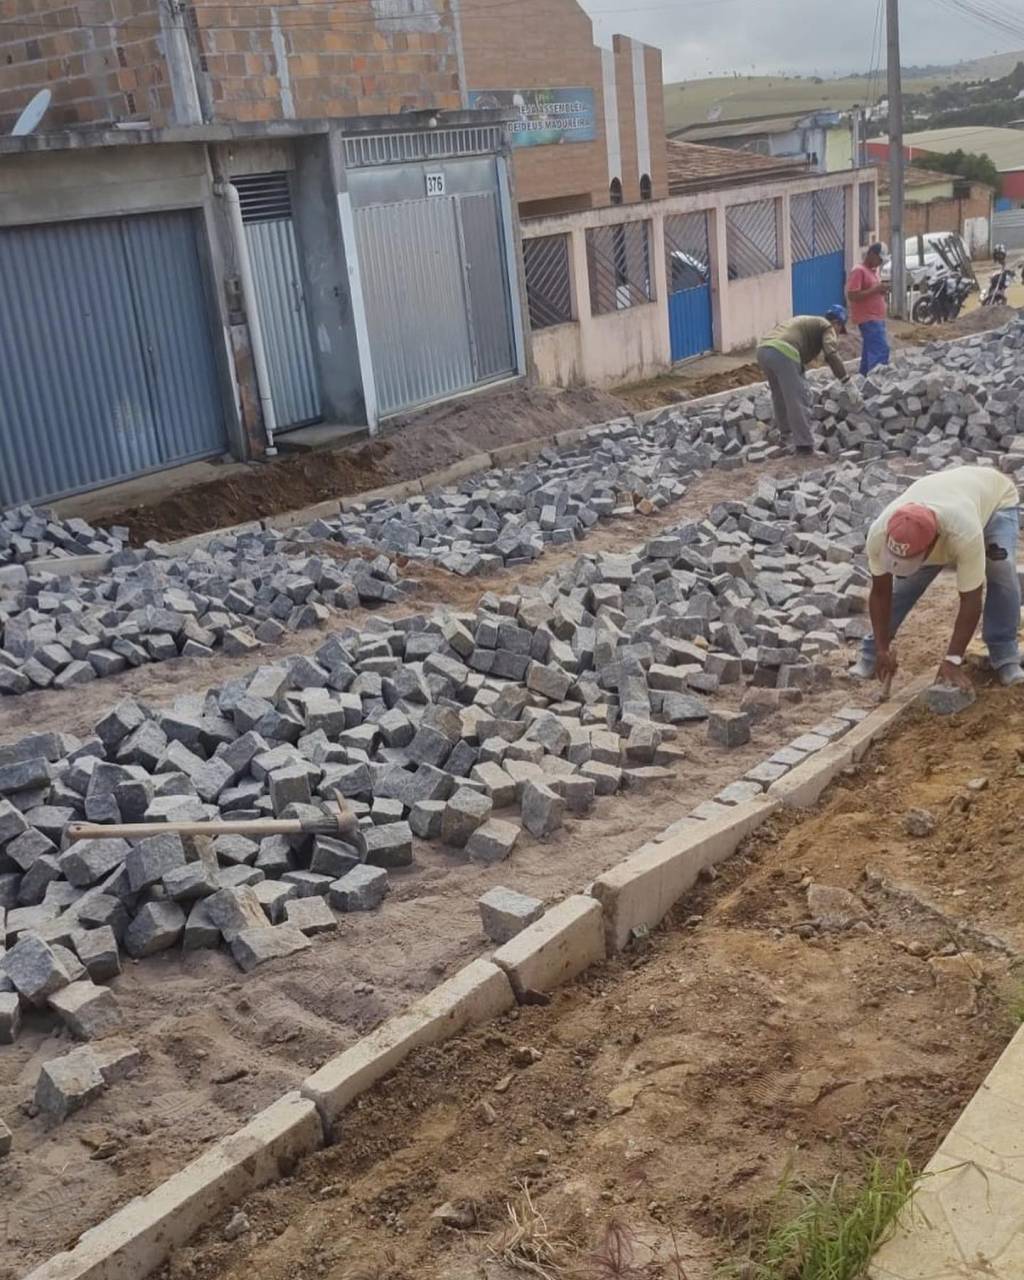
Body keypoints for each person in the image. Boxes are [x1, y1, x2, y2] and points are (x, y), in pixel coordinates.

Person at [851, 466, 1024, 690]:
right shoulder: (880, 532)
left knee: (1001, 568)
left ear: (933, 544)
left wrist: (953, 660)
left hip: (996, 503)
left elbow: (971, 599)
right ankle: (870, 652)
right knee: (904, 588)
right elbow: (880, 592)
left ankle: (1004, 654)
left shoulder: (963, 532)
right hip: (949, 500)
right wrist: (881, 648)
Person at [756, 307, 851, 455]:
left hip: (763, 350)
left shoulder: (810, 322)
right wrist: (846, 380)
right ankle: (804, 446)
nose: (838, 333)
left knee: (780, 395)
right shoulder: (827, 326)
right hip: (783, 351)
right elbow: (831, 354)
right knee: (797, 398)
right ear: (837, 323)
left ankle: (786, 436)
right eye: (840, 329)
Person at [846, 242, 890, 376]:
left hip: (876, 318)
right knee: (880, 350)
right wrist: (875, 289)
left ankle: (864, 379)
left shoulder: (873, 272)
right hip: (869, 319)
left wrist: (880, 292)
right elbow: (852, 295)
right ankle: (877, 381)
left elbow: (871, 291)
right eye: (879, 259)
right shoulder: (859, 271)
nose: (879, 263)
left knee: (869, 352)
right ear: (871, 254)